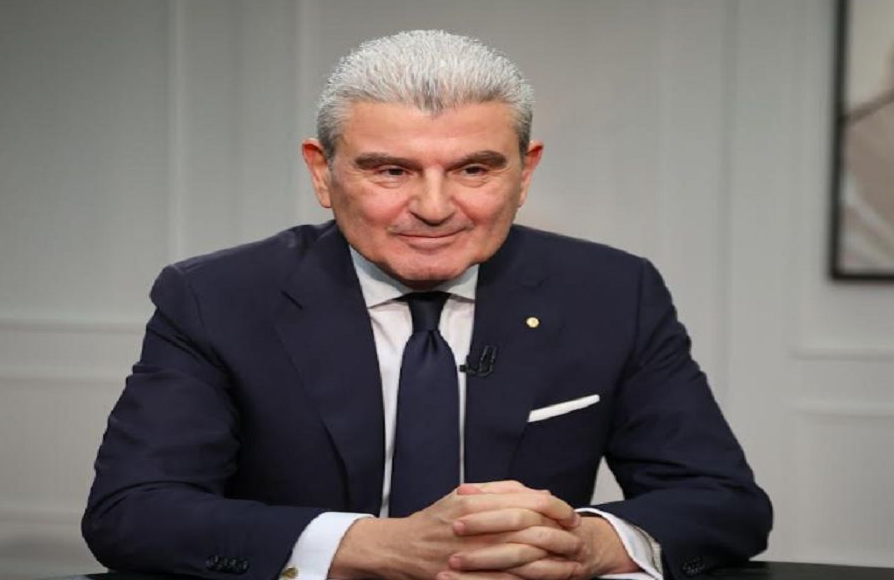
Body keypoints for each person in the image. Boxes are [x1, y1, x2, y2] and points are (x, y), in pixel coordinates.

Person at [83, 30, 771, 580]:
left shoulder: (612, 291)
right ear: (323, 172)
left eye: (474, 169)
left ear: (524, 172)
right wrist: (378, 546)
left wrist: (582, 544)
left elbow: (724, 502)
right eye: (391, 170)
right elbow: (133, 511)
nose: (435, 208)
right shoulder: (217, 298)